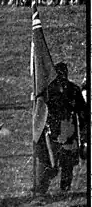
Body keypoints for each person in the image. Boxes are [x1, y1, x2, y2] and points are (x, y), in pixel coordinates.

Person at [33, 62, 88, 197]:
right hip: (52, 134)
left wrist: (84, 137)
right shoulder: (47, 91)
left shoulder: (74, 90)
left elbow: (82, 114)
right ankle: (42, 191)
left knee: (67, 165)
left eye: (64, 73)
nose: (62, 77)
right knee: (49, 164)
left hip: (69, 132)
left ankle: (65, 190)